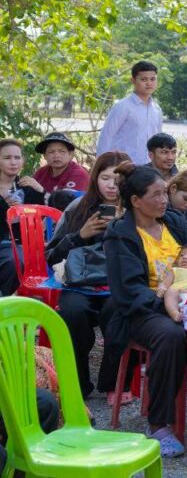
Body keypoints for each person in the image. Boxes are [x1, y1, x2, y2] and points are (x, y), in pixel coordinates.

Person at [103, 163, 187, 458]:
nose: (163, 200)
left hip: (186, 300)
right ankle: (159, 424)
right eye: (156, 195)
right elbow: (129, 291)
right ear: (135, 201)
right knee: (171, 335)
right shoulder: (120, 234)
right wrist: (171, 305)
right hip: (142, 311)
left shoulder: (172, 221)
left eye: (164, 193)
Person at [46, 150, 132, 402]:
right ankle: (77, 382)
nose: (112, 186)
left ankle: (113, 383)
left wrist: (123, 229)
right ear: (95, 178)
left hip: (118, 284)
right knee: (73, 312)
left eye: (118, 180)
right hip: (78, 283)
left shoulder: (138, 208)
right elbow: (51, 255)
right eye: (105, 178)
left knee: (120, 309)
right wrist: (80, 235)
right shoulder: (78, 207)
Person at [0, 139, 46, 296]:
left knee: (15, 261)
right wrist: (4, 206)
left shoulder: (27, 187)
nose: (13, 162)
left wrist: (40, 191)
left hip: (18, 245)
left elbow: (43, 216)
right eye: (7, 158)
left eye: (17, 157)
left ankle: (7, 303)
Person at [96, 61, 163, 164]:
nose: (149, 83)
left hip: (149, 167)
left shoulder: (156, 110)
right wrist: (101, 166)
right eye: (143, 79)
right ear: (133, 80)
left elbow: (158, 141)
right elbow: (106, 136)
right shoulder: (122, 106)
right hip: (124, 166)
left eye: (152, 79)